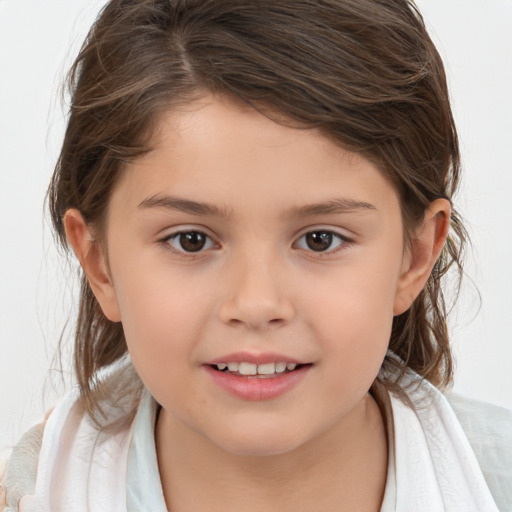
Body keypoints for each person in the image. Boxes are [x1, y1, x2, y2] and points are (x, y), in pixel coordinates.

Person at [1, 0, 511, 510]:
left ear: (415, 255)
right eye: (190, 240)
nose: (256, 302)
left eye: (320, 239)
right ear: (99, 263)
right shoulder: (30, 494)